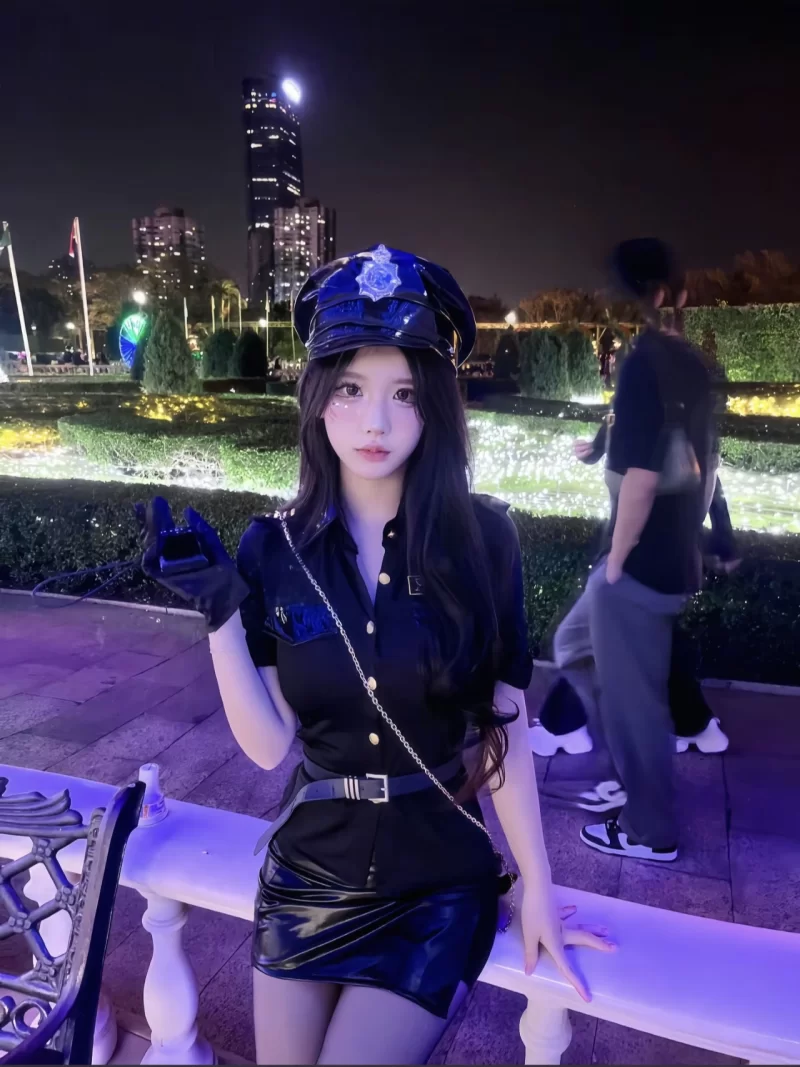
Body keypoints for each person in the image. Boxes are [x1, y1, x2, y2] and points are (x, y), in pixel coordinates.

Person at [137, 245, 613, 1066]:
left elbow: (502, 722)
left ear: (435, 408)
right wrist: (219, 613)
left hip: (435, 885)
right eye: (351, 390)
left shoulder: (483, 539)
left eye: (404, 394)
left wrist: (537, 882)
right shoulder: (272, 548)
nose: (376, 424)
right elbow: (269, 745)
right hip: (305, 879)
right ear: (317, 397)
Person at [545, 239, 715, 862]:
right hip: (670, 557)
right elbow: (708, 466)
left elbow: (641, 479)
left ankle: (649, 830)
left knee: (636, 706)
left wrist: (617, 562)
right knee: (573, 645)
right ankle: (632, 772)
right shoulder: (691, 362)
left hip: (636, 569)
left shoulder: (645, 361)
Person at [530, 417, 737, 763]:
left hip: (637, 559)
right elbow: (709, 482)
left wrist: (614, 563)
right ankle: (693, 725)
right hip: (673, 560)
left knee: (583, 641)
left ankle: (561, 727)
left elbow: (642, 493)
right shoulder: (690, 420)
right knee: (656, 642)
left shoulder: (648, 420)